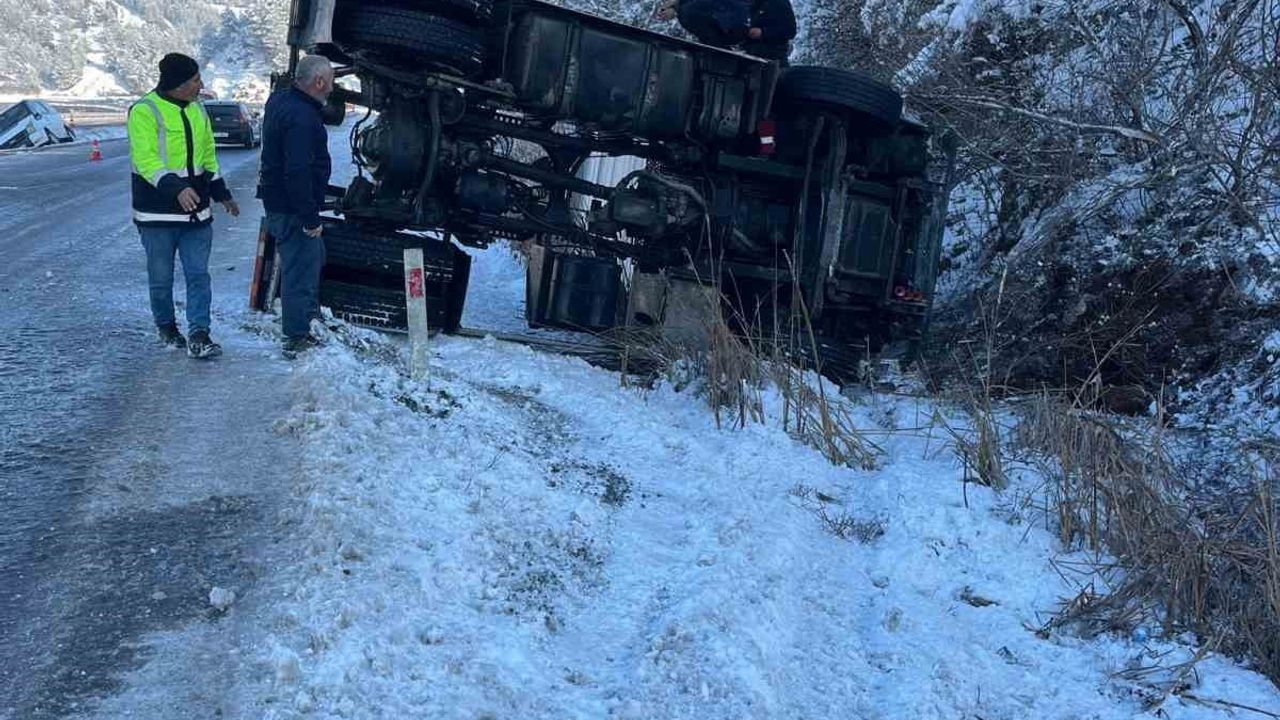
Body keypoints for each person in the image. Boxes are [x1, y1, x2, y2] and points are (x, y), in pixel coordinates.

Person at [127, 52, 240, 359]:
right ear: (177, 84)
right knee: (161, 278)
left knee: (198, 275)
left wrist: (221, 193)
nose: (200, 85)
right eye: (194, 80)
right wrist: (175, 188)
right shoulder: (144, 111)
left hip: (196, 214)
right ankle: (166, 327)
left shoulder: (198, 110)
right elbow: (145, 159)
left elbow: (208, 156)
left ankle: (200, 334)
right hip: (156, 214)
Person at [256, 55, 334, 358]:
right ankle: (296, 336)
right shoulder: (303, 116)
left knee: (311, 259)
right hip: (292, 208)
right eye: (330, 81)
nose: (332, 87)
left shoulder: (281, 101)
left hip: (279, 202)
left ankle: (305, 321)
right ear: (318, 82)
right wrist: (309, 216)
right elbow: (297, 170)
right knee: (299, 270)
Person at [742, 0, 796, 64]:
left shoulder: (779, 2)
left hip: (772, 58)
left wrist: (763, 32)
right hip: (746, 53)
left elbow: (790, 30)